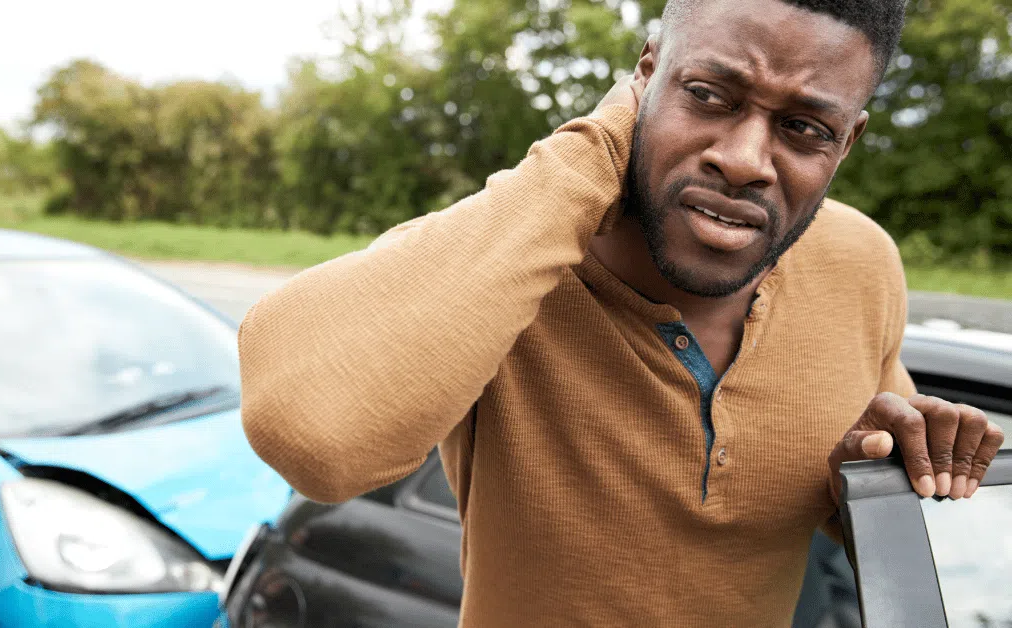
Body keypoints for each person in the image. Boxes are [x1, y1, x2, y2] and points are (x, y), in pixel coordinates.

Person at [237, 0, 1005, 625]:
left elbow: (878, 506)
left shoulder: (862, 262)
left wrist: (871, 475)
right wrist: (588, 155)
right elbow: (315, 440)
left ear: (848, 142)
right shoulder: (514, 253)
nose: (742, 159)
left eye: (804, 128)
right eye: (707, 94)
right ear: (646, 74)